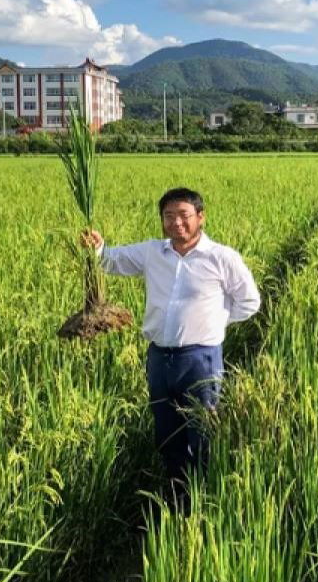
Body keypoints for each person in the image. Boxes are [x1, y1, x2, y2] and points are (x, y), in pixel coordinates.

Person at [82, 187, 261, 511]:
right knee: (167, 429)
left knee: (202, 430)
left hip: (201, 359)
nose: (177, 223)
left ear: (200, 217)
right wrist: (96, 247)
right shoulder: (152, 253)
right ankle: (177, 495)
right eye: (169, 216)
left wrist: (214, 323)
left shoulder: (221, 257)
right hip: (159, 358)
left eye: (184, 215)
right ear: (162, 220)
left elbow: (250, 302)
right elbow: (111, 260)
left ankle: (205, 498)